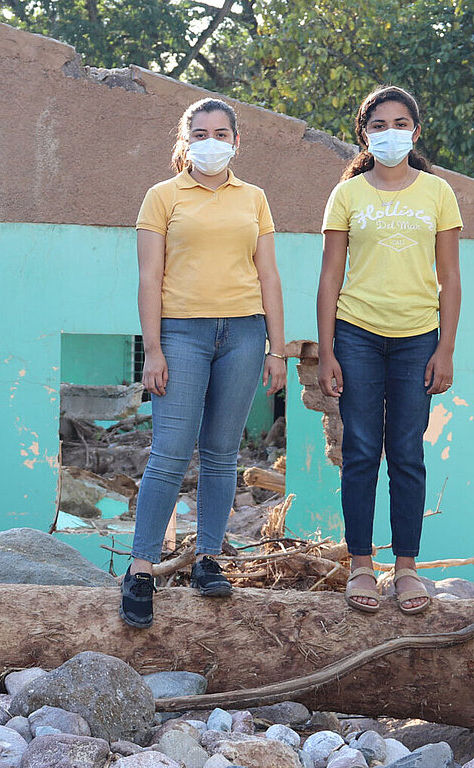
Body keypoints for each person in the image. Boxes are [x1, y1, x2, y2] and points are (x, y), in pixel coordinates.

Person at [119, 97, 286, 628]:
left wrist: (276, 349)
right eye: (200, 132)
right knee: (168, 452)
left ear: (236, 142)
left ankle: (208, 560)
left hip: (244, 333)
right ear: (185, 139)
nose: (210, 141)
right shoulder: (161, 197)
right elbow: (149, 278)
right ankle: (141, 569)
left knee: (221, 453)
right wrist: (153, 349)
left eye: (221, 133)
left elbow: (270, 277)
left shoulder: (254, 198)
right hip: (182, 334)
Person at [317, 86, 462, 615]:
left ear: (416, 132)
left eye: (401, 123)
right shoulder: (348, 195)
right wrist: (327, 351)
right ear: (364, 133)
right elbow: (330, 276)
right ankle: (361, 565)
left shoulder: (437, 193)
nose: (390, 133)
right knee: (359, 452)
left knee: (406, 453)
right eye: (379, 124)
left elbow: (449, 277)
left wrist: (445, 348)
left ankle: (406, 569)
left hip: (417, 340)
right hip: (355, 335)